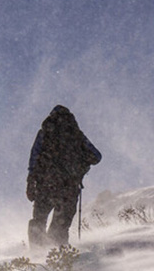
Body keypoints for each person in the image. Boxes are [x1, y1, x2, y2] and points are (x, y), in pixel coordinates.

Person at [26, 105, 102, 248]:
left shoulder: (45, 133)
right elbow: (97, 156)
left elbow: (34, 157)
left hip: (46, 185)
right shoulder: (77, 136)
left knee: (38, 221)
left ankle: (37, 255)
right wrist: (81, 163)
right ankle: (59, 259)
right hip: (69, 188)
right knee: (60, 226)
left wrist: (31, 180)